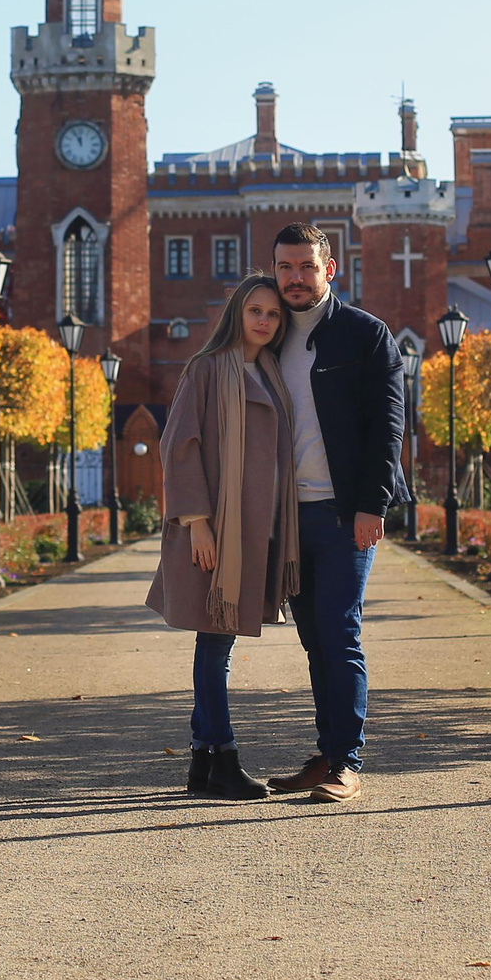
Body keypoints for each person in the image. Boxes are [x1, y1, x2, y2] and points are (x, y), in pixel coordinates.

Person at [261, 221, 406, 804]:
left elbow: (388, 426)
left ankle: (348, 760)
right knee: (314, 639)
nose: (295, 278)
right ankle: (327, 751)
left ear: (330, 269)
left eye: (306, 267)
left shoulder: (365, 336)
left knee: (340, 630)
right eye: (285, 268)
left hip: (346, 515)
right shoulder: (263, 335)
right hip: (287, 516)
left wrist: (373, 503)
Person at [144, 274, 299, 801]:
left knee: (217, 645)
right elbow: (179, 447)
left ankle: (203, 763)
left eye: (273, 314)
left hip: (255, 532)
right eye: (254, 310)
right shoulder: (207, 369)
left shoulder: (274, 372)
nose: (264, 320)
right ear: (236, 313)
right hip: (212, 534)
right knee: (214, 645)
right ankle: (223, 757)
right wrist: (198, 522)